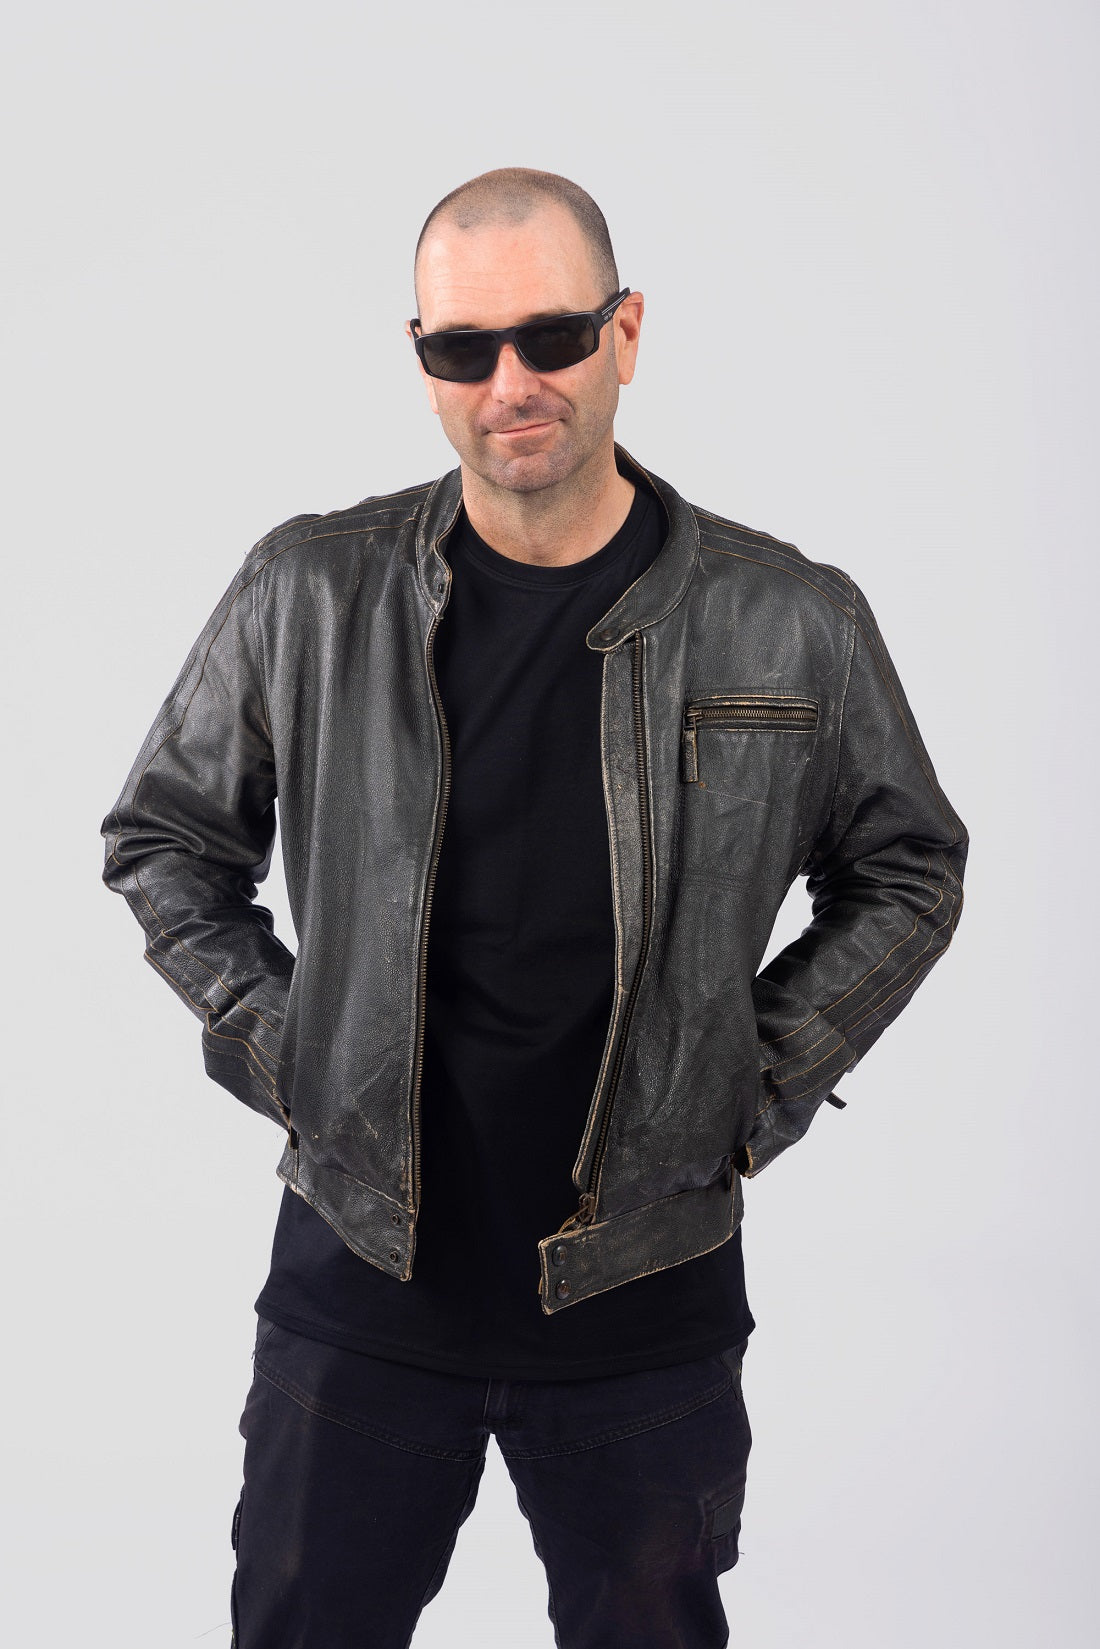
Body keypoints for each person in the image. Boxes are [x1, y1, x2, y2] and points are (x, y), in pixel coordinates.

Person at [99, 166, 968, 1648]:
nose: (511, 384)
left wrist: (754, 1076)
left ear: (625, 334)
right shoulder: (310, 591)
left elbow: (909, 865)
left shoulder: (789, 617)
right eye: (464, 347)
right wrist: (290, 1045)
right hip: (360, 1286)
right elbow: (164, 837)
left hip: (645, 1303)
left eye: (553, 337)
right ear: (423, 360)